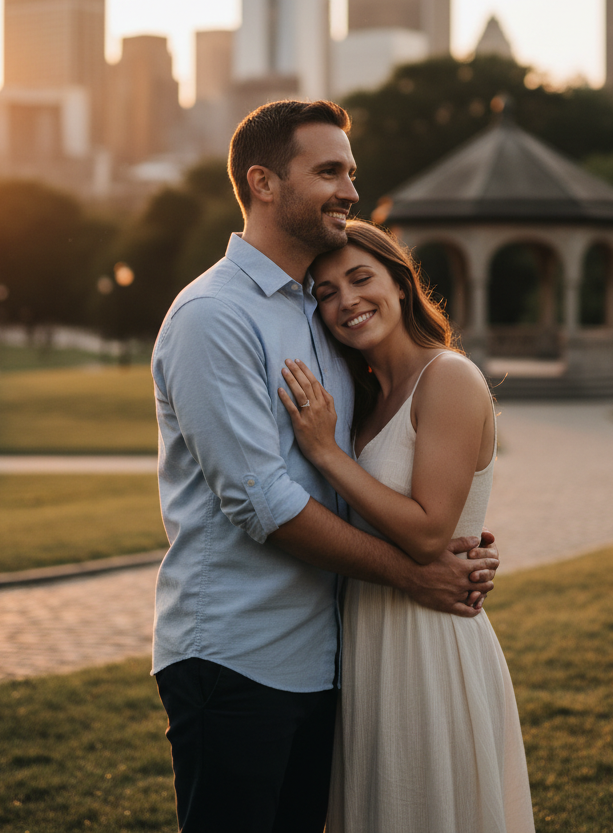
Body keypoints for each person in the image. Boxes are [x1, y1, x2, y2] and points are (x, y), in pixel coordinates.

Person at [151, 99, 501, 833]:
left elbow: (389, 467)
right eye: (330, 171)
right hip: (236, 658)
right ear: (264, 182)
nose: (350, 189)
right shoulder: (214, 316)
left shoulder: (319, 315)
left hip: (332, 660)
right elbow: (263, 503)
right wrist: (415, 572)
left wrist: (451, 537)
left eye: (352, 172)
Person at [278, 220, 535, 833]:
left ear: (400, 282)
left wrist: (326, 453)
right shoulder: (365, 398)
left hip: (430, 641)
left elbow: (426, 533)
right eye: (326, 293)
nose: (347, 300)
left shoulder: (448, 377)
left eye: (361, 278)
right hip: (364, 640)